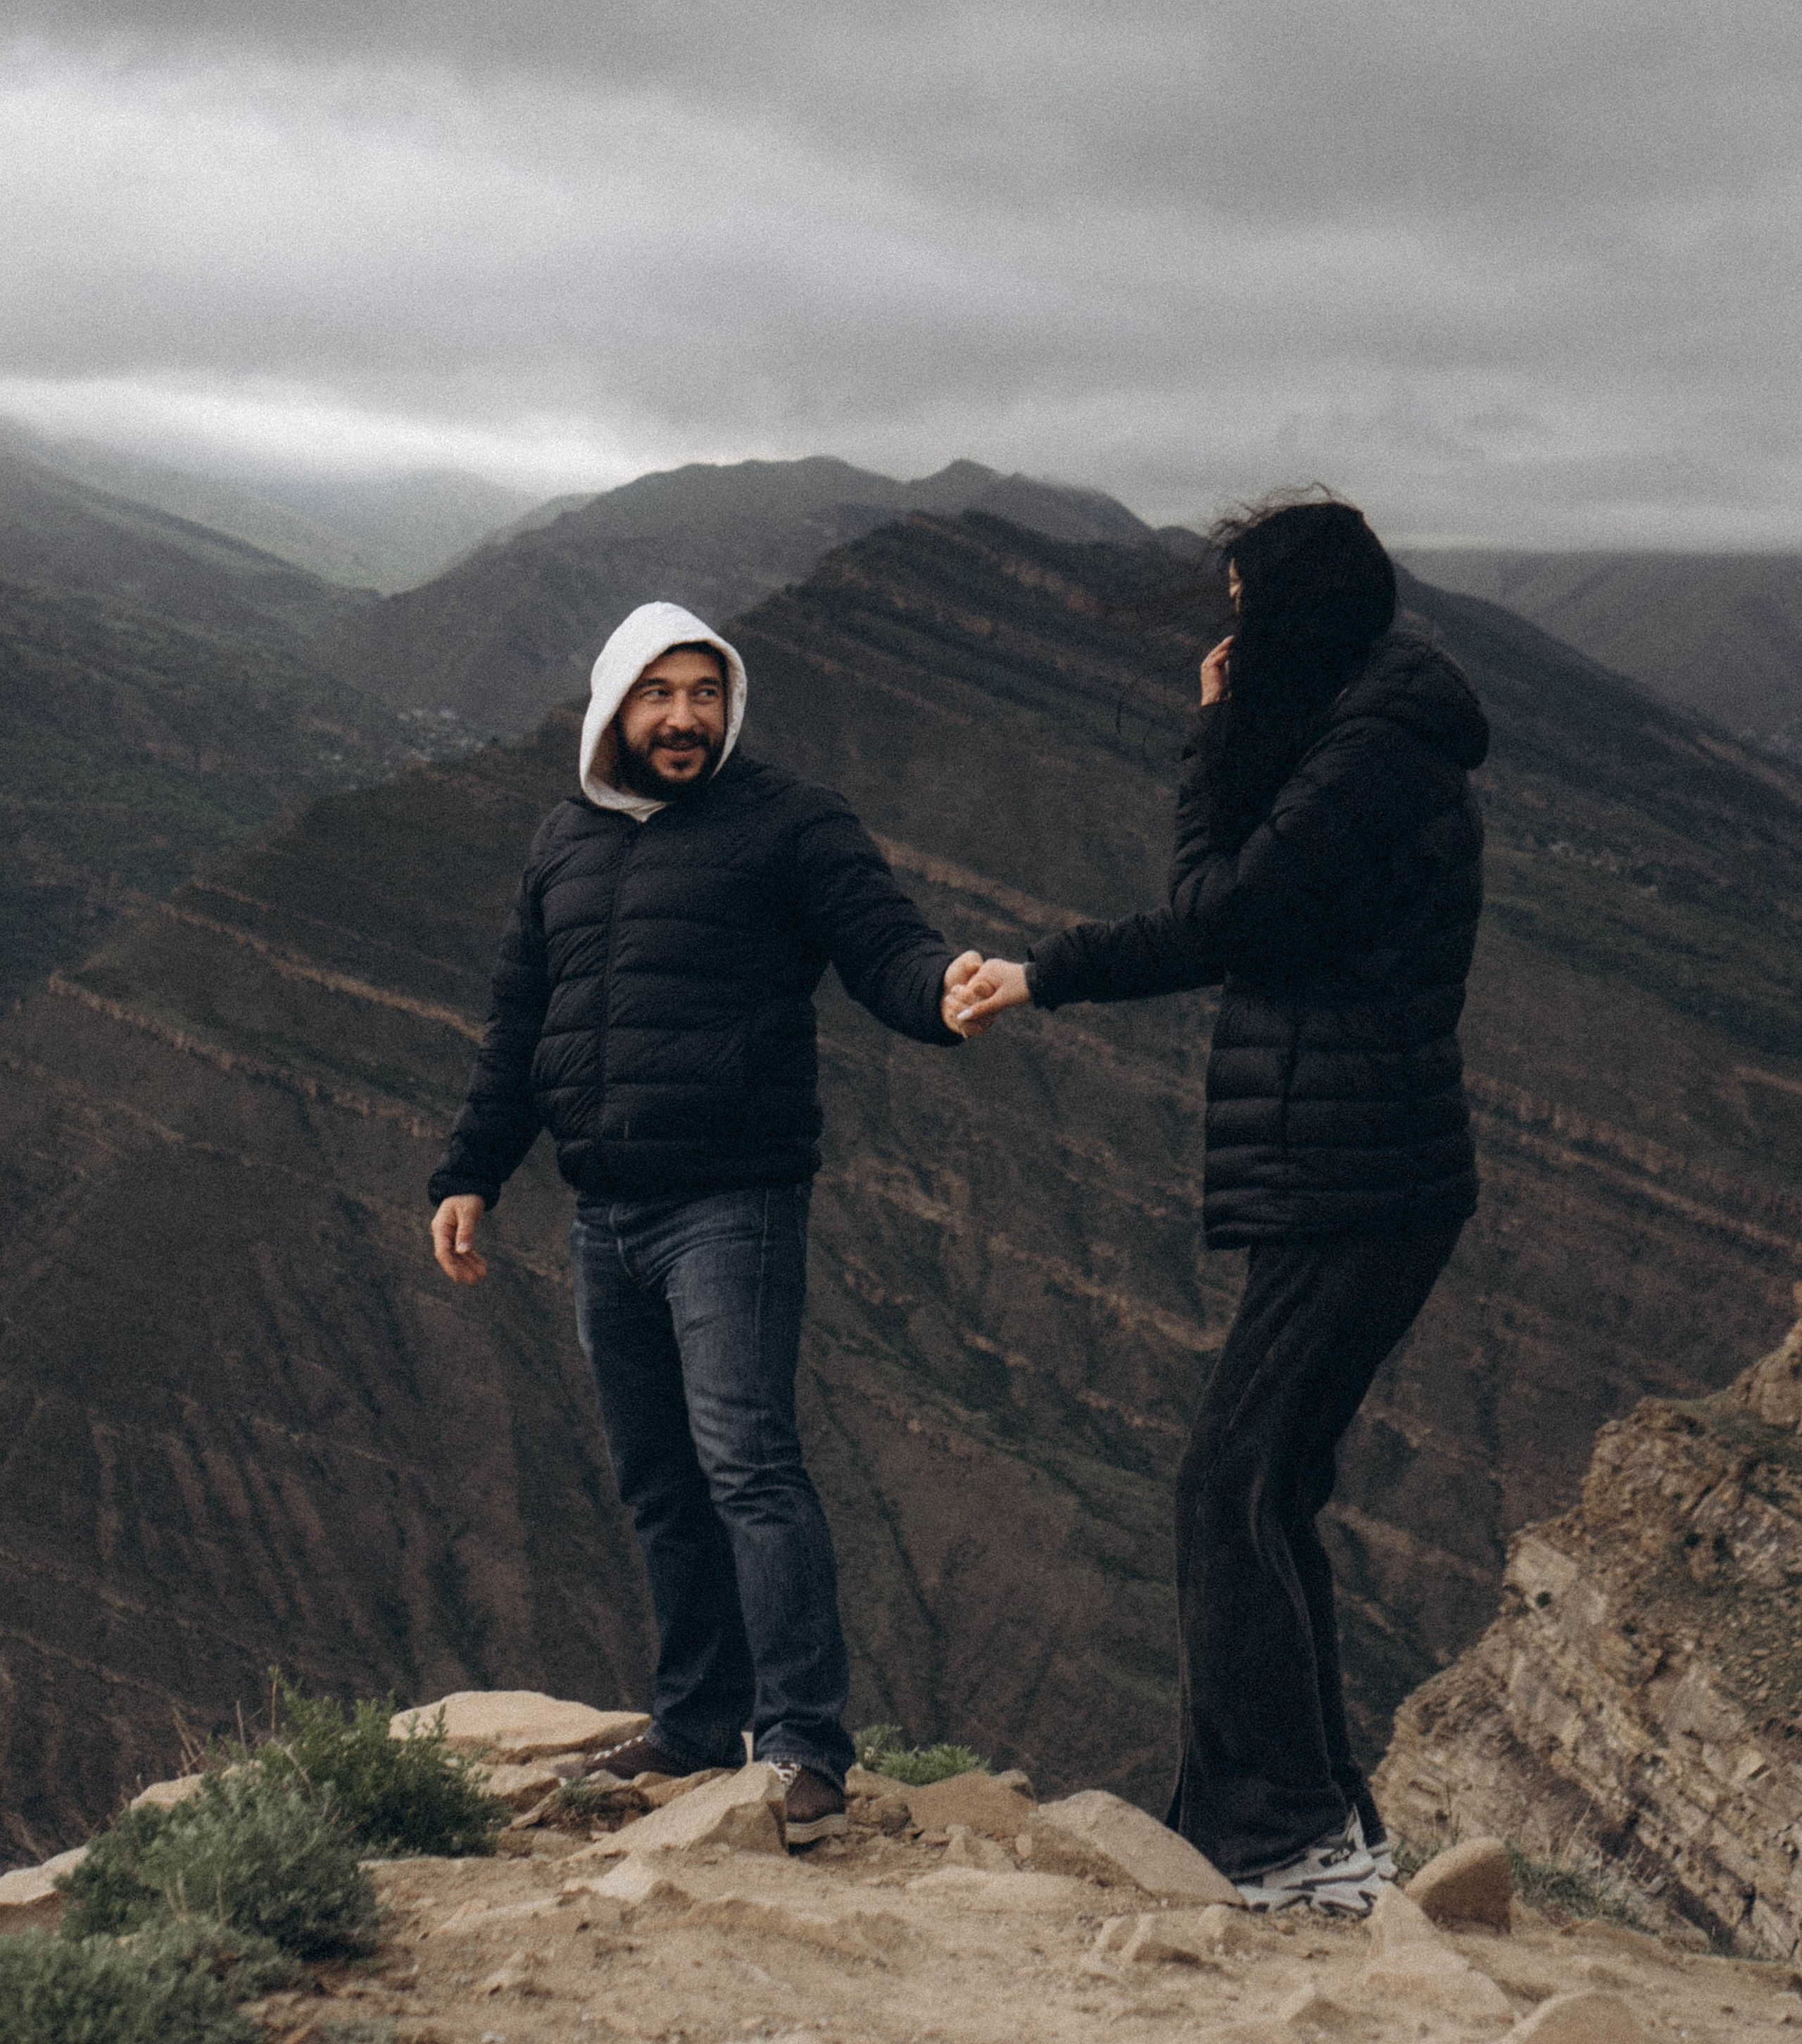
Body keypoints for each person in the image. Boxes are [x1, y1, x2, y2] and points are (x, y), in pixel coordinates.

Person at [954, 496, 1487, 1914]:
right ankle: (1307, 1829)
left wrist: (1038, 970)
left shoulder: (1374, 755)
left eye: (1245, 609)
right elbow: (1271, 884)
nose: (1230, 636)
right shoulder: (1371, 737)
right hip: (1359, 1167)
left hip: (1354, 1176)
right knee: (1268, 1491)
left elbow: (1221, 910)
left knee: (1225, 1492)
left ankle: (1288, 1841)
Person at [429, 600, 981, 1850]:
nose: (684, 718)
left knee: (748, 1466)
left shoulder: (790, 822)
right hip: (601, 1209)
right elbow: (524, 1027)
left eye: (705, 693)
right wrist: (470, 1171)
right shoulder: (563, 842)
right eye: (658, 694)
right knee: (658, 1480)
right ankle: (692, 1723)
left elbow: (883, 945)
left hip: (731, 1203)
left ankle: (802, 1745)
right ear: (615, 706)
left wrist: (938, 994)